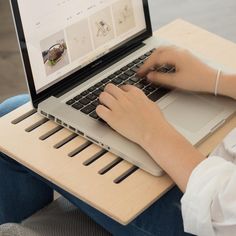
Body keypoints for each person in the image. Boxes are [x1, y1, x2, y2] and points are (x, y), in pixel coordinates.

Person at [0, 46, 235, 236]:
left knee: (9, 122)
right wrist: (216, 80)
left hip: (208, 213)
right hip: (220, 167)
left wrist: (153, 132)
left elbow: (221, 210)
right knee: (17, 112)